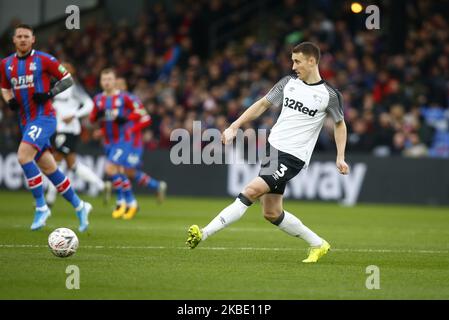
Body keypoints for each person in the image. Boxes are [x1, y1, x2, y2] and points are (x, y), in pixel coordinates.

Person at [186, 42, 350, 263]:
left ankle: (203, 233)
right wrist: (235, 125)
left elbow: (340, 124)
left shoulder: (329, 95)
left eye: (297, 61)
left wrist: (340, 156)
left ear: (312, 61)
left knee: (251, 190)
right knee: (271, 212)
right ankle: (318, 244)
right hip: (272, 151)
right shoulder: (288, 83)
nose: (293, 66)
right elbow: (263, 104)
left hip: (293, 157)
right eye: (292, 61)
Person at [0, 24, 92, 232]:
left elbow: (67, 79)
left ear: (33, 39)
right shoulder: (6, 64)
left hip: (45, 118)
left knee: (23, 157)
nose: (23, 39)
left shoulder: (44, 59)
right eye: (19, 36)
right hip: (25, 121)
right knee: (50, 169)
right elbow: (4, 87)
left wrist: (50, 94)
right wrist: (9, 100)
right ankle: (80, 205)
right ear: (14, 40)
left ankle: (41, 206)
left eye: (27, 36)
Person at [45, 62, 111, 206]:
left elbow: (89, 104)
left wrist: (74, 115)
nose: (63, 70)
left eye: (67, 68)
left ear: (72, 72)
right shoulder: (57, 88)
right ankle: (101, 185)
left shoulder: (73, 87)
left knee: (55, 161)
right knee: (71, 164)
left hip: (69, 130)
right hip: (60, 129)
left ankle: (49, 199)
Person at [90, 69, 142, 219]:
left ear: (114, 81)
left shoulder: (124, 98)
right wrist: (97, 116)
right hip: (108, 141)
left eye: (109, 79)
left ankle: (124, 200)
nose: (107, 82)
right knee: (119, 170)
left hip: (123, 139)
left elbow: (139, 112)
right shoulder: (98, 99)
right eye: (104, 79)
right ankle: (127, 203)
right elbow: (92, 119)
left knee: (110, 168)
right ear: (101, 82)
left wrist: (125, 118)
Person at [116, 77, 167, 208]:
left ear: (125, 86)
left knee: (126, 170)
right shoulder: (114, 102)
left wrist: (131, 130)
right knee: (126, 171)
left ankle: (127, 201)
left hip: (133, 142)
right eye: (116, 85)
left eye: (120, 84)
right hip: (120, 141)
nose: (118, 87)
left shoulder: (132, 100)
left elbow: (146, 118)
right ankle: (155, 187)